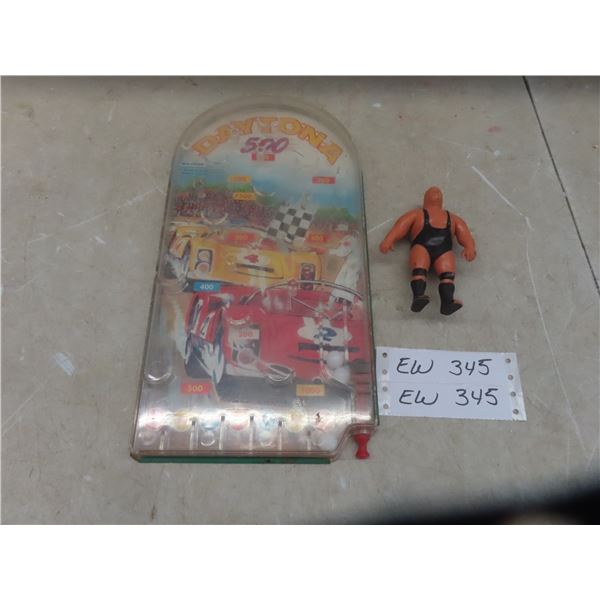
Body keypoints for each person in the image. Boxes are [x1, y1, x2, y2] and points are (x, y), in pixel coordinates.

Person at [379, 187, 476, 315]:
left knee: (444, 274)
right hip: (427, 248)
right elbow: (400, 227)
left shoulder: (445, 217)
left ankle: (446, 302)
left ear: (425, 201)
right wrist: (389, 240)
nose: (435, 195)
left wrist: (470, 246)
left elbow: (464, 233)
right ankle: (420, 297)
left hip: (436, 250)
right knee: (429, 272)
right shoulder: (446, 217)